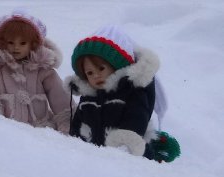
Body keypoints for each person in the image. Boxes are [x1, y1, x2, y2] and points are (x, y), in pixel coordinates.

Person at [67, 25, 180, 162]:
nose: (96, 75)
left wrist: (125, 146)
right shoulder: (88, 97)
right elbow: (78, 122)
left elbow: (137, 118)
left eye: (101, 68)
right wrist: (74, 142)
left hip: (129, 157)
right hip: (94, 158)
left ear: (116, 65)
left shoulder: (131, 93)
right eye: (89, 72)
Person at [0, 12, 71, 132]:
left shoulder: (43, 70)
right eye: (11, 42)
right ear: (2, 42)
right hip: (8, 129)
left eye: (22, 43)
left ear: (33, 44)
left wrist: (67, 122)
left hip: (42, 129)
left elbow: (60, 97)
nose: (16, 47)